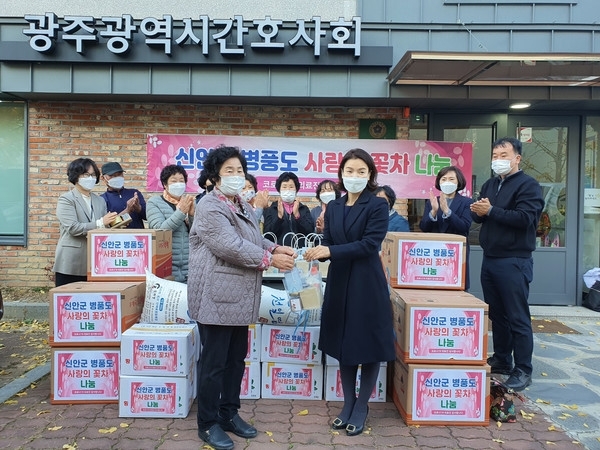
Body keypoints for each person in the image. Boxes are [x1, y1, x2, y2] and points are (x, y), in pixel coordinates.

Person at [187, 146, 296, 450]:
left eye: (239, 170)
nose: (236, 176)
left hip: (238, 295)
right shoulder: (210, 206)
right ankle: (207, 424)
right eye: (229, 171)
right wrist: (270, 260)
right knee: (214, 363)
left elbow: (251, 239)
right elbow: (230, 245)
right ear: (214, 175)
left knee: (235, 360)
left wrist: (274, 248)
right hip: (215, 297)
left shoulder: (241, 204)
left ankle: (228, 413)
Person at [304, 148, 394, 436]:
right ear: (341, 174)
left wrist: (330, 249)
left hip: (367, 284)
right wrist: (317, 253)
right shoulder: (336, 207)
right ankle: (348, 402)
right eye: (349, 171)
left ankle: (362, 405)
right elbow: (329, 242)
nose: (354, 176)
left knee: (366, 345)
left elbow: (370, 244)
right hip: (340, 283)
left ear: (370, 175)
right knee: (344, 344)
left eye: (361, 171)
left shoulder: (377, 205)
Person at [470, 137, 544, 391]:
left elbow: (525, 219)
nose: (498, 160)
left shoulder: (529, 186)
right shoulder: (491, 184)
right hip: (490, 258)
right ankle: (502, 359)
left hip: (514, 260)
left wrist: (491, 211)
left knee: (517, 316)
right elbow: (478, 213)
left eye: (504, 155)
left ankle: (523, 369)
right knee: (498, 315)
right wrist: (477, 210)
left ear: (517, 158)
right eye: (495, 155)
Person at [53, 158, 118, 287]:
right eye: (86, 175)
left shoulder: (100, 200)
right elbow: (73, 228)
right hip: (71, 262)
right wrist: (100, 223)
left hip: (96, 262)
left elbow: (103, 229)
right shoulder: (66, 199)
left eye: (93, 175)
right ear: (76, 176)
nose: (91, 178)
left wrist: (115, 224)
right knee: (69, 301)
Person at [419, 166, 473, 289]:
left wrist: (448, 212)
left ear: (458, 181)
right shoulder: (432, 201)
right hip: (435, 254)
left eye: (451, 179)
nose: (447, 182)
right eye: (443, 179)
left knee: (457, 287)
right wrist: (433, 211)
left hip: (456, 254)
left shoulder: (467, 202)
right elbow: (424, 227)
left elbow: (464, 227)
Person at [147, 164, 195, 283]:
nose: (178, 184)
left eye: (181, 181)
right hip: (166, 267)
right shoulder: (154, 202)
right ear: (165, 185)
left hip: (188, 268)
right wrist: (181, 212)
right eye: (174, 181)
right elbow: (159, 231)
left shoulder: (187, 202)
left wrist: (192, 215)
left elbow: (197, 234)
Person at [263, 172, 314, 245]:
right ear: (279, 190)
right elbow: (267, 235)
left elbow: (310, 232)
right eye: (284, 187)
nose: (288, 190)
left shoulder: (303, 209)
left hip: (300, 252)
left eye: (291, 187)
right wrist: (279, 218)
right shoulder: (271, 209)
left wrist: (297, 216)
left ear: (296, 190)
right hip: (279, 252)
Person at [100, 161, 146, 229]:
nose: (116, 178)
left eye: (119, 174)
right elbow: (107, 225)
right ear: (103, 178)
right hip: (115, 238)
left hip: (137, 238)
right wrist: (127, 210)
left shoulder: (134, 193)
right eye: (112, 175)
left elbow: (147, 217)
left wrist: (139, 208)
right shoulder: (102, 199)